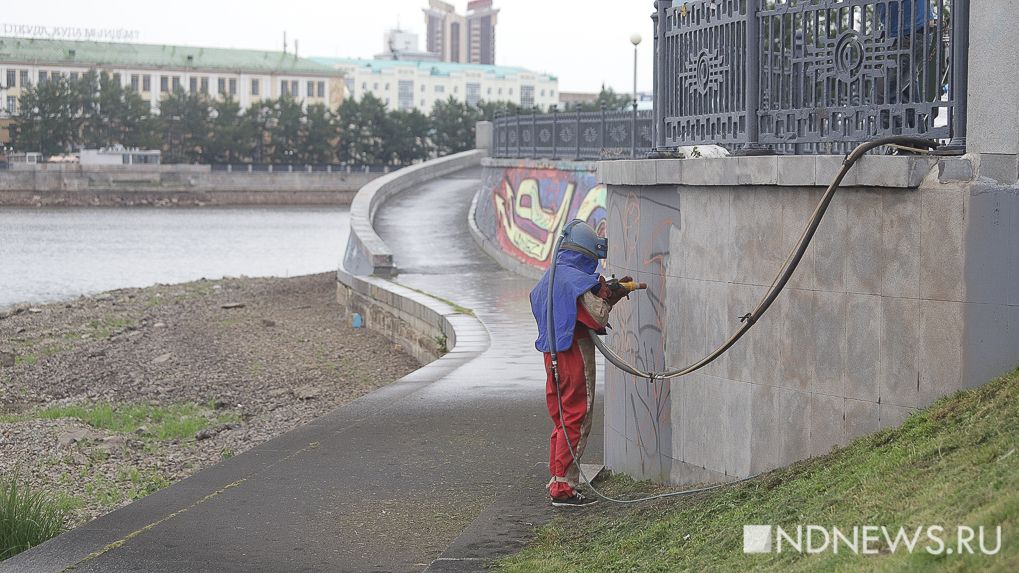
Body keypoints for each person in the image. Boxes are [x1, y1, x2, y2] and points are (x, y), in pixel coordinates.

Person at [529, 220, 631, 508]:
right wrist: (609, 295)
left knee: (561, 418)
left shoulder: (549, 278)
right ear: (585, 254)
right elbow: (596, 316)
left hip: (551, 356)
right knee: (577, 415)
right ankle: (563, 487)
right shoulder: (576, 279)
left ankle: (557, 476)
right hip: (573, 354)